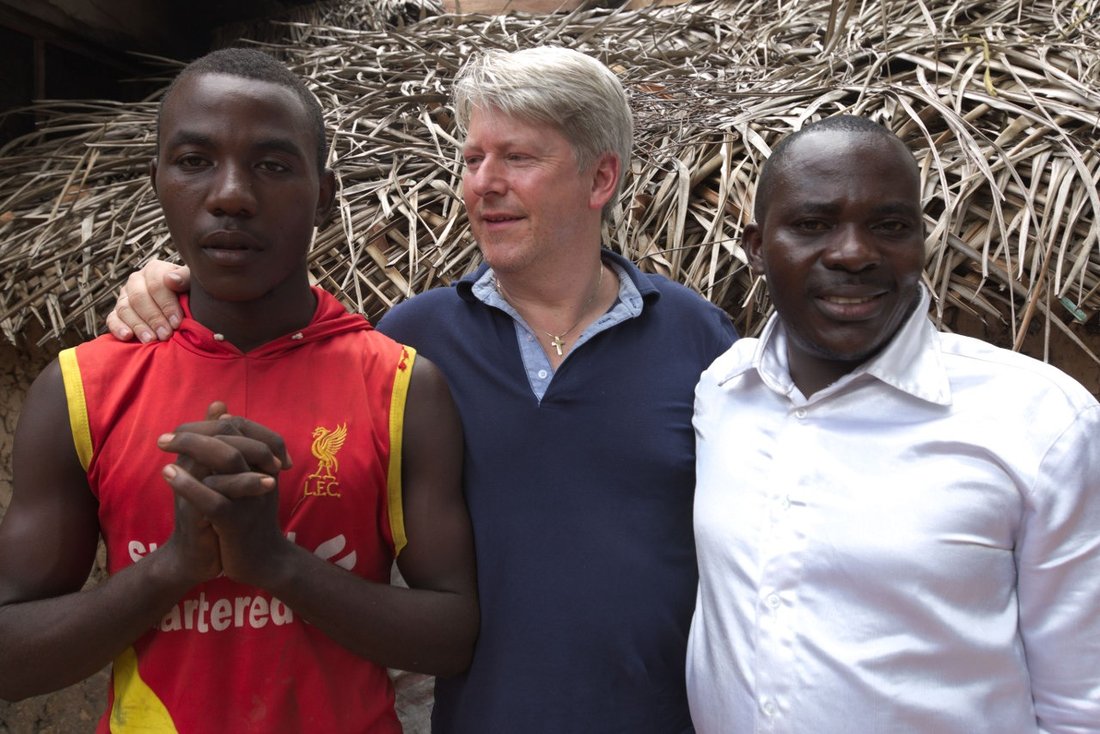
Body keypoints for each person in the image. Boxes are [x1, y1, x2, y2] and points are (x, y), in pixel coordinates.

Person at [104, 46, 738, 732]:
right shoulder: (411, 343)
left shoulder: (701, 343)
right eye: (472, 160)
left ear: (600, 178)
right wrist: (170, 288)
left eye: (517, 158)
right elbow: (274, 323)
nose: (483, 184)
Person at [0, 48, 478, 733]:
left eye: (273, 165)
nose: (231, 194)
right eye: (194, 161)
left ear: (324, 194)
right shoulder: (78, 388)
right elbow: (11, 660)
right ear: (157, 179)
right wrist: (174, 567)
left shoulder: (402, 387)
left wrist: (277, 564)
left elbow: (452, 635)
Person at [687, 115, 1100, 732]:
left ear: (922, 241)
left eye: (889, 226)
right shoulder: (724, 392)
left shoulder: (1043, 423)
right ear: (754, 247)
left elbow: (1083, 699)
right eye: (812, 224)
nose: (854, 253)